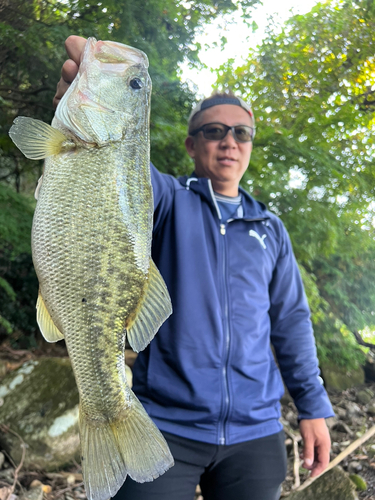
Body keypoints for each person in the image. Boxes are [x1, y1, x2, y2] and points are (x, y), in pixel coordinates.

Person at [54, 36, 333, 500]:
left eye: (240, 133)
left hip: (255, 431)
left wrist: (313, 406)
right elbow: (119, 173)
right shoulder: (164, 199)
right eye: (213, 131)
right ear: (191, 143)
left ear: (249, 145)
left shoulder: (272, 229)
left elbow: (290, 323)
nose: (228, 141)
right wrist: (87, 118)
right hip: (164, 422)